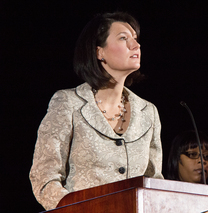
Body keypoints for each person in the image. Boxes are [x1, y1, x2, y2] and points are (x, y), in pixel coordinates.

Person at [29, 12, 163, 210]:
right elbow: (44, 178)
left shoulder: (148, 112)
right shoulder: (68, 103)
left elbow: (154, 183)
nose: (136, 45)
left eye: (136, 39)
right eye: (123, 38)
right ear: (99, 52)